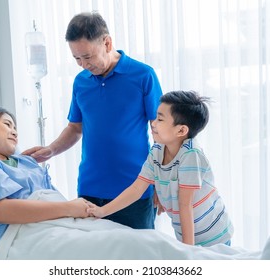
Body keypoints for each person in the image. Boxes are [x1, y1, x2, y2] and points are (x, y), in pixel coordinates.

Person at [23, 12, 163, 229]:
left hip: (135, 190)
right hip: (89, 191)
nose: (82, 65)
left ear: (107, 43)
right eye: (77, 58)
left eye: (88, 57)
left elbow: (161, 134)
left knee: (137, 256)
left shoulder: (143, 75)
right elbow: (75, 128)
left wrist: (162, 185)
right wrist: (51, 150)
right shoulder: (81, 82)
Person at [88, 90, 234, 246]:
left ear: (181, 130)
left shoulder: (191, 155)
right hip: (189, 234)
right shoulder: (157, 150)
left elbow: (186, 205)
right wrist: (102, 211)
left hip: (214, 235)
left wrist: (188, 251)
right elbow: (137, 189)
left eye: (160, 119)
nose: (153, 123)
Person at [0, 106, 91, 260]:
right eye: (7, 124)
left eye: (15, 127)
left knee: (116, 234)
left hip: (61, 225)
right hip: (17, 238)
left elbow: (54, 199)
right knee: (115, 244)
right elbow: (0, 211)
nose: (15, 132)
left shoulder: (27, 162)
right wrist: (70, 208)